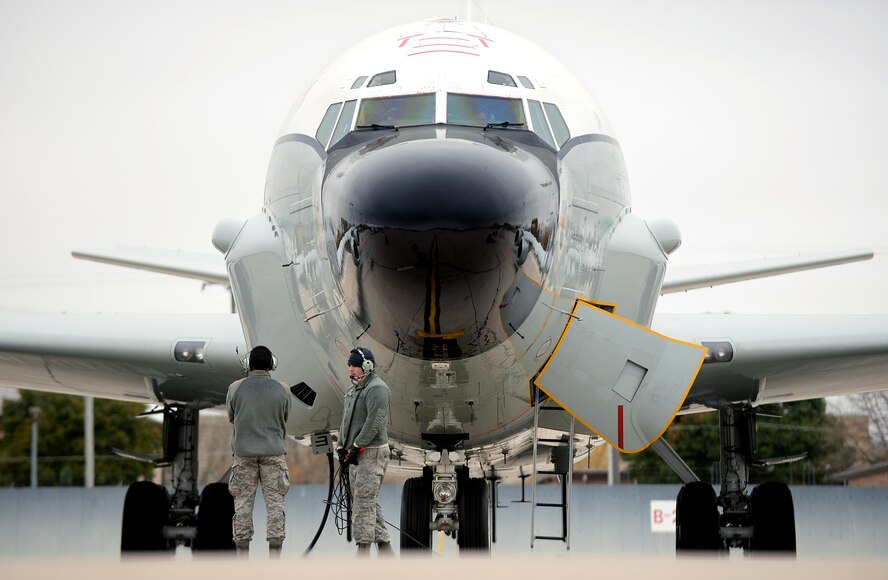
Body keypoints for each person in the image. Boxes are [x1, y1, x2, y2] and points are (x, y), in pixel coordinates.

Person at [226, 345, 292, 557]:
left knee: (243, 504)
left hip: (244, 454)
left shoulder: (235, 388)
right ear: (272, 364)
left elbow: (231, 416)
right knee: (275, 503)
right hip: (273, 454)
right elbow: (285, 417)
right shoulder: (283, 389)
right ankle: (275, 551)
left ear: (248, 364)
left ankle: (242, 553)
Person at [339, 346, 393, 556]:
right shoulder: (353, 390)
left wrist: (357, 445)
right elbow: (346, 420)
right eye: (350, 366)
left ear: (367, 366)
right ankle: (386, 549)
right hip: (356, 453)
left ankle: (363, 551)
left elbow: (375, 422)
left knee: (363, 502)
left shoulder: (377, 389)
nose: (351, 369)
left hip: (371, 454)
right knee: (364, 500)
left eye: (355, 366)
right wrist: (341, 446)